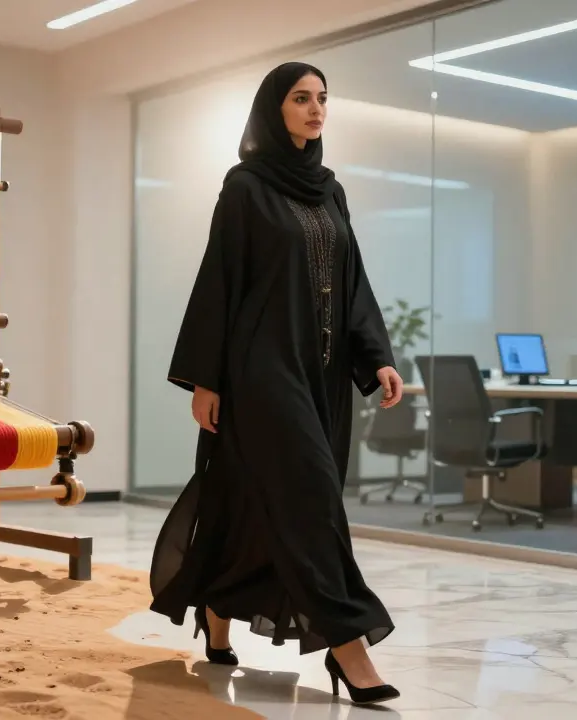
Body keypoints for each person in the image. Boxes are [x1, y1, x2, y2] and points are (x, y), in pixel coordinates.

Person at [148, 61, 404, 707]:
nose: (316, 109)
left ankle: (217, 606)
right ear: (274, 108)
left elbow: (352, 283)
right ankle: (348, 646)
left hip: (323, 374)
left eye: (323, 98)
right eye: (300, 98)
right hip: (261, 370)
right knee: (312, 496)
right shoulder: (245, 188)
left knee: (252, 498)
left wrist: (376, 357)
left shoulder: (330, 190)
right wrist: (207, 379)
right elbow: (219, 280)